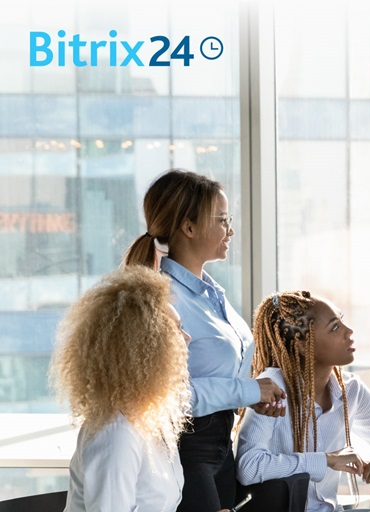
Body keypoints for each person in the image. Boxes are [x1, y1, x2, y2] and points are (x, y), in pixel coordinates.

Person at [124, 169, 287, 512]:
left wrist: (251, 396)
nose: (231, 229)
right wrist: (250, 390)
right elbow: (169, 399)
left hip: (220, 447)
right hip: (186, 451)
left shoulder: (212, 294)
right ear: (189, 227)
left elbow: (224, 377)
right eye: (223, 219)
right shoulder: (165, 301)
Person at [236, 291, 370, 512]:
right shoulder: (271, 387)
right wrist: (325, 460)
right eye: (335, 328)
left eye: (342, 321)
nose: (349, 332)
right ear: (303, 345)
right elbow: (248, 467)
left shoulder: (350, 389)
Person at [51, 266, 193, 512]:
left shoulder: (152, 422)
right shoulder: (116, 435)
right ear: (147, 347)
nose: (187, 337)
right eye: (177, 329)